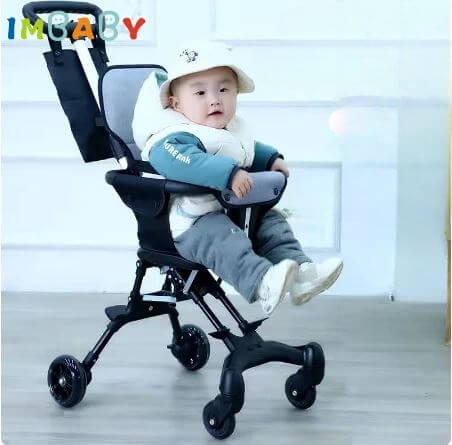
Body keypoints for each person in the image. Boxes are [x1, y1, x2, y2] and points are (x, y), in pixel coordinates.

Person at [132, 40, 343, 316]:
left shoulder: (228, 129)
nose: (214, 99)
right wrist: (228, 173)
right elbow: (178, 161)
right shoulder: (173, 137)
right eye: (200, 93)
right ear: (176, 104)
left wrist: (270, 159)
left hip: (233, 212)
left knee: (271, 222)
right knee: (223, 239)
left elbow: (246, 149)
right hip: (193, 224)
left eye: (223, 89)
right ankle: (262, 283)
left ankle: (301, 274)